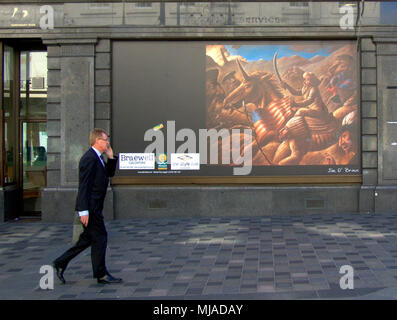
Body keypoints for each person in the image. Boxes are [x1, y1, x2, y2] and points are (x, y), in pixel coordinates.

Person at [52, 128, 122, 284]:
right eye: (105, 140)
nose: (108, 142)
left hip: (95, 207)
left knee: (86, 240)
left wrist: (111, 157)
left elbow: (109, 175)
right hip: (90, 208)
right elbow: (84, 186)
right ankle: (101, 274)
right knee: (100, 238)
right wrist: (83, 211)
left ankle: (60, 263)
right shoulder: (89, 158)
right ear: (97, 141)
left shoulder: (98, 157)